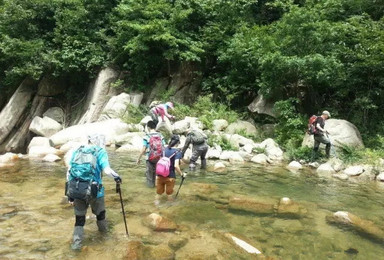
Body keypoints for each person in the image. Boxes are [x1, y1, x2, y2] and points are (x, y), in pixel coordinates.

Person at [66, 134, 122, 250]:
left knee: (79, 220)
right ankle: (105, 240)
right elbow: (106, 170)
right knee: (100, 216)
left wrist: (70, 196)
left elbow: (69, 172)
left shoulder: (78, 151)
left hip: (77, 190)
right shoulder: (100, 151)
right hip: (96, 192)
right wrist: (117, 177)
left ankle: (76, 246)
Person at [155, 134, 185, 205]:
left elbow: (159, 162)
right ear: (178, 143)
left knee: (158, 193)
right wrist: (181, 174)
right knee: (169, 194)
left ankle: (156, 206)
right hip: (170, 176)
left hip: (159, 175)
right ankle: (168, 209)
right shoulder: (177, 152)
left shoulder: (163, 150)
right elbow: (176, 166)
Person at [137, 120, 166, 187]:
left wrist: (138, 158)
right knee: (157, 175)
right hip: (159, 158)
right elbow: (164, 147)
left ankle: (150, 189)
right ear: (155, 127)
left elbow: (143, 149)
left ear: (148, 127)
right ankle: (157, 190)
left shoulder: (146, 136)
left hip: (149, 158)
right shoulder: (160, 135)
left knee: (149, 176)